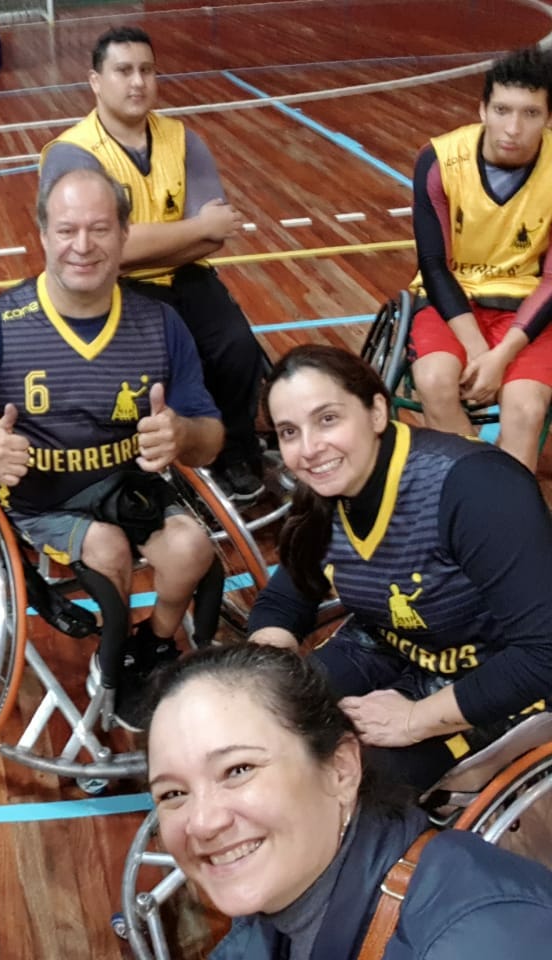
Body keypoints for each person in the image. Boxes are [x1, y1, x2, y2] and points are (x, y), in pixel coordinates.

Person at [0, 167, 222, 727]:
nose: (83, 245)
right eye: (67, 229)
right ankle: (109, 666)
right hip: (41, 502)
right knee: (108, 549)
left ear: (125, 235)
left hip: (130, 489)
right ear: (44, 235)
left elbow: (211, 439)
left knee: (194, 548)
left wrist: (183, 434)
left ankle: (152, 644)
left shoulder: (160, 323)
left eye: (99, 229)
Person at [247, 344, 552, 791]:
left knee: (348, 788)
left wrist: (416, 719)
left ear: (376, 412)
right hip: (389, 645)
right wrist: (264, 673)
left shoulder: (477, 487)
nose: (308, 449)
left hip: (498, 674)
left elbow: (544, 655)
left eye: (327, 419)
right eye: (289, 432)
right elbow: (286, 597)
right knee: (262, 726)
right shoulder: (329, 488)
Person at [144, 643, 552, 959]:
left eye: (238, 770)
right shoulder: (288, 895)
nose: (202, 821)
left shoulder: (483, 935)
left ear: (341, 769)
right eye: (173, 793)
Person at [40, 26, 265, 502]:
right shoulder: (71, 153)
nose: (137, 82)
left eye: (147, 70)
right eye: (123, 71)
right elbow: (102, 250)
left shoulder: (184, 140)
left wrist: (139, 243)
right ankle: (144, 471)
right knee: (154, 369)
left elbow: (218, 234)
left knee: (238, 348)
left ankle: (235, 450)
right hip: (112, 287)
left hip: (186, 274)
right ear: (96, 81)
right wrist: (192, 230)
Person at [408, 47, 552, 472]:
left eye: (530, 113)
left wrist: (502, 356)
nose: (513, 127)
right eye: (503, 109)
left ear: (548, 119)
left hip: (526, 309)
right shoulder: (438, 159)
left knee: (525, 410)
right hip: (452, 301)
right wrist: (476, 351)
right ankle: (475, 491)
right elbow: (433, 264)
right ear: (482, 110)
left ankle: (508, 520)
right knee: (435, 383)